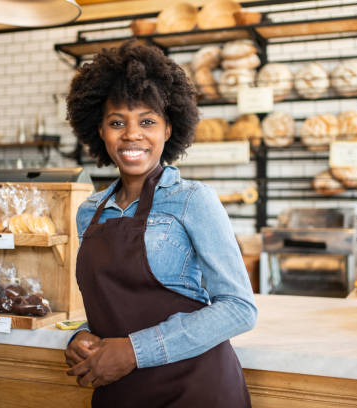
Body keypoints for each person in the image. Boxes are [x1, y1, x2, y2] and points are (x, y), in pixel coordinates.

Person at [64, 41, 257, 407]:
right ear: (100, 131)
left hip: (196, 390)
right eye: (117, 122)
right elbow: (107, 310)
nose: (132, 134)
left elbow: (239, 307)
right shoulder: (89, 211)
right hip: (121, 392)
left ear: (169, 129)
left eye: (147, 121)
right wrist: (81, 337)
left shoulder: (193, 200)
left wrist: (134, 352)